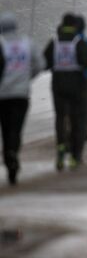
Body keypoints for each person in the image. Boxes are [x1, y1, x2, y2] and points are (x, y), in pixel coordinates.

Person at [0, 13, 44, 185]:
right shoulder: (27, 43)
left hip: (2, 95)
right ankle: (13, 152)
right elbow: (41, 63)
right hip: (21, 94)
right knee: (16, 128)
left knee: (5, 127)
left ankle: (8, 155)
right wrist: (27, 77)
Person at [44, 13, 87, 170]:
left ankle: (60, 148)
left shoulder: (55, 42)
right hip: (76, 86)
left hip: (58, 85)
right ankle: (74, 156)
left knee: (60, 117)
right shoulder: (79, 42)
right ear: (75, 26)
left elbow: (46, 62)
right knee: (75, 119)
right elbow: (86, 62)